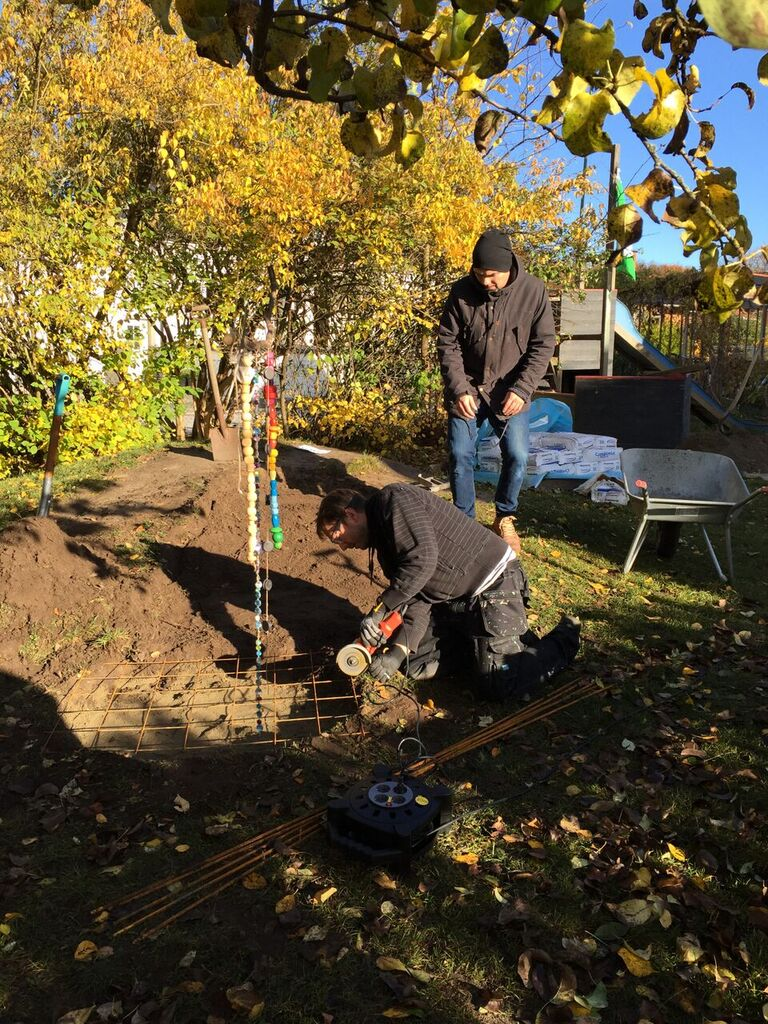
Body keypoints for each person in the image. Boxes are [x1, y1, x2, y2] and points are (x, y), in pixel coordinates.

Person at [316, 483, 580, 700]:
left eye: (337, 534)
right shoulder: (385, 547)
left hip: (494, 586)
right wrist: (397, 653)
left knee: (500, 684)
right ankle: (492, 646)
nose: (342, 545)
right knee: (415, 662)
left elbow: (423, 561)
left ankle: (564, 638)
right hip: (458, 600)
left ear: (350, 515)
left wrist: (381, 609)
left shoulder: (394, 501)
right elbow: (418, 596)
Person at [437, 228, 556, 552]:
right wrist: (459, 388)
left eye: (490, 276)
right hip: (469, 387)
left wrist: (521, 389)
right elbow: (447, 343)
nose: (484, 281)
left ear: (506, 269)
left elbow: (543, 344)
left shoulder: (533, 291)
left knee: (517, 454)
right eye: (479, 274)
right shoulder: (461, 292)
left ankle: (504, 516)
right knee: (461, 454)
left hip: (510, 389)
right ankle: (463, 523)